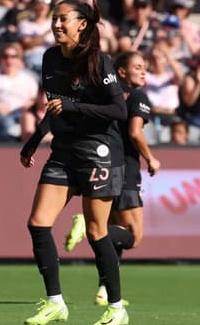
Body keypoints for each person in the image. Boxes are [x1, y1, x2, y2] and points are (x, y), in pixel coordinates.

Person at [18, 0, 129, 325]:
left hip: (99, 151)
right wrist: (34, 140)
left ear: (82, 24)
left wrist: (74, 108)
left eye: (62, 19)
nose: (56, 24)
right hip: (64, 151)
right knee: (38, 223)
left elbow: (118, 112)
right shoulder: (50, 58)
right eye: (54, 19)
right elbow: (55, 107)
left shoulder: (99, 62)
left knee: (96, 232)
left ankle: (116, 307)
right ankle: (55, 303)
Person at [64, 50, 161, 306]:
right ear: (121, 72)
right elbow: (135, 132)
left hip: (103, 165)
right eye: (137, 66)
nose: (143, 71)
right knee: (133, 236)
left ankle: (104, 289)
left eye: (145, 67)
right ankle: (86, 224)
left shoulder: (105, 95)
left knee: (112, 240)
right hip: (126, 170)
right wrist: (150, 158)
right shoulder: (137, 96)